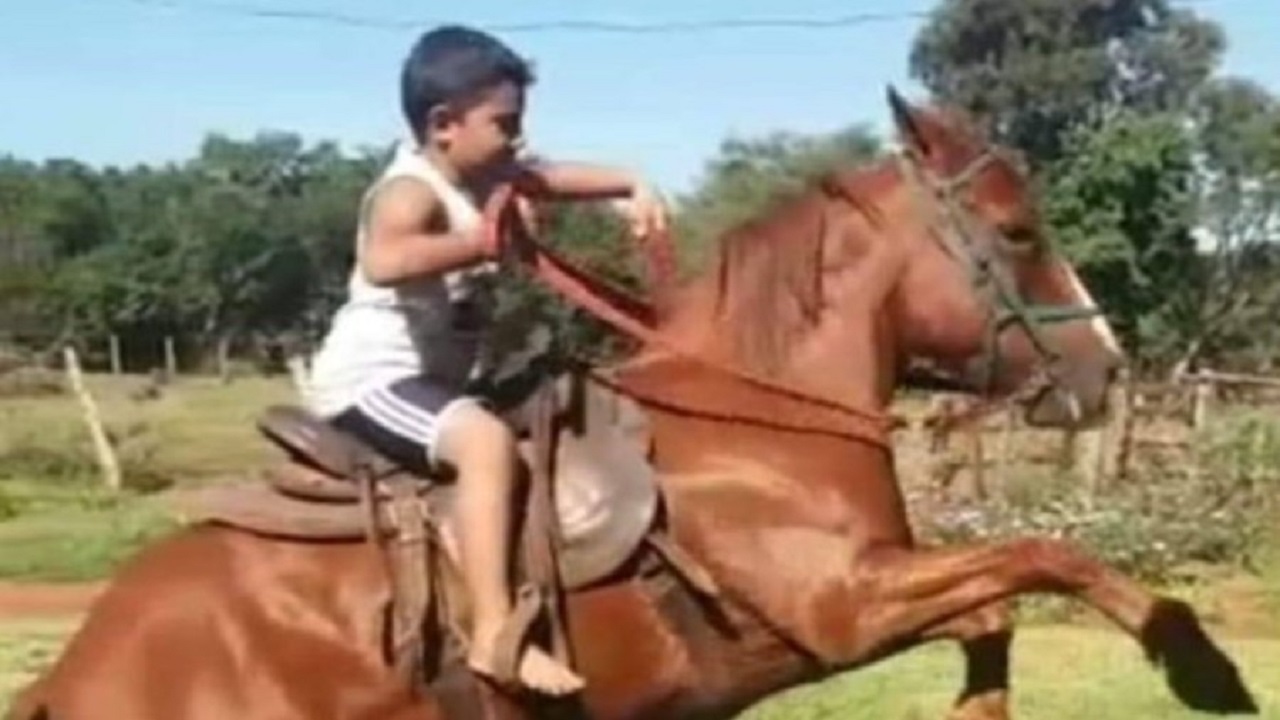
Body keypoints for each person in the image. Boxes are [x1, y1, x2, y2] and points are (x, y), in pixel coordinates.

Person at [304, 25, 667, 696]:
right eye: (505, 124)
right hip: (372, 383)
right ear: (444, 124)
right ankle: (496, 634)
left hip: (434, 381)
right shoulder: (410, 190)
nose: (518, 139)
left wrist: (630, 183)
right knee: (485, 444)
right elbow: (384, 259)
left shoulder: (486, 176)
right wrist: (483, 242)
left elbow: (551, 177)